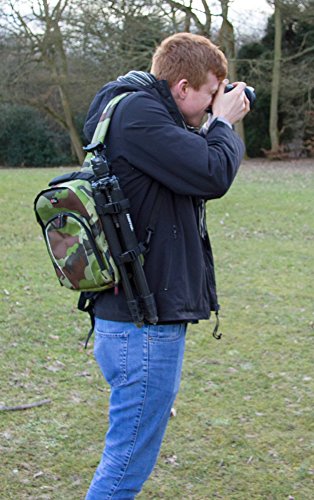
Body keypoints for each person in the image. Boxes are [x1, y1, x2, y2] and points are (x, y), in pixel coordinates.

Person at [83, 32, 250, 499]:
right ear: (181, 87)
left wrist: (210, 119)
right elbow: (212, 173)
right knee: (123, 469)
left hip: (132, 320)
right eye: (211, 91)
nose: (217, 100)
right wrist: (223, 123)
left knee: (126, 457)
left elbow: (191, 172)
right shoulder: (138, 115)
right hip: (142, 327)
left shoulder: (133, 110)